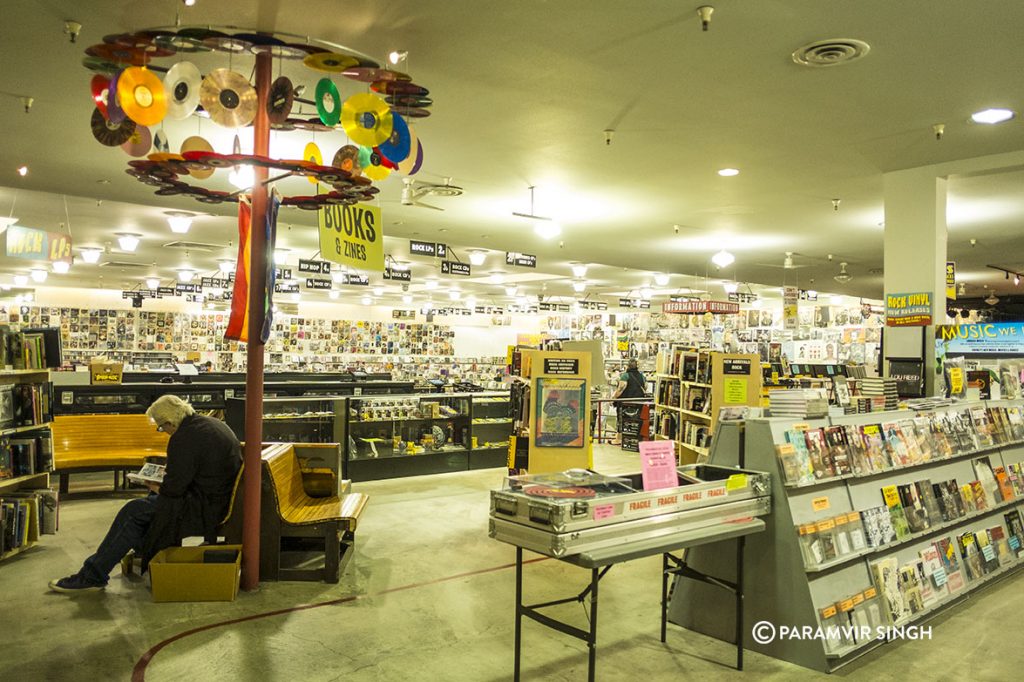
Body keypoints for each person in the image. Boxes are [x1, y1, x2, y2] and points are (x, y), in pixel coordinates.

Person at [49, 395, 241, 594]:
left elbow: (174, 489)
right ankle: (142, 552)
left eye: (161, 427)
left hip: (206, 509)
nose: (163, 432)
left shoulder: (184, 438)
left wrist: (157, 487)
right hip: (219, 500)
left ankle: (92, 575)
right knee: (147, 507)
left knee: (133, 511)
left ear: (169, 422)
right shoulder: (210, 424)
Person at [611, 358, 647, 444]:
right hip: (638, 402)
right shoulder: (642, 376)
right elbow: (645, 387)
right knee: (635, 420)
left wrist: (614, 397)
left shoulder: (625, 375)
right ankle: (633, 437)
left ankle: (618, 438)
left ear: (627, 366)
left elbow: (621, 389)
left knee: (621, 418)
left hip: (625, 401)